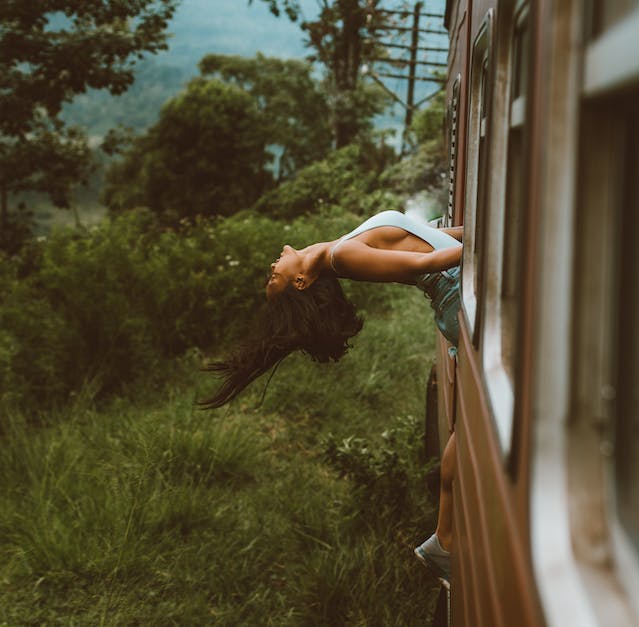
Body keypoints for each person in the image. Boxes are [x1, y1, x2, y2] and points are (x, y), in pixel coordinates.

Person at [198, 210, 461, 588]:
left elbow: (426, 238)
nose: (272, 265)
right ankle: (444, 539)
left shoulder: (335, 251)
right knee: (470, 427)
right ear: (301, 282)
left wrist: (470, 230)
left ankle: (443, 540)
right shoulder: (342, 257)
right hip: (458, 294)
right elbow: (430, 261)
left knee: (467, 428)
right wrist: (490, 236)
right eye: (275, 276)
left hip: (456, 292)